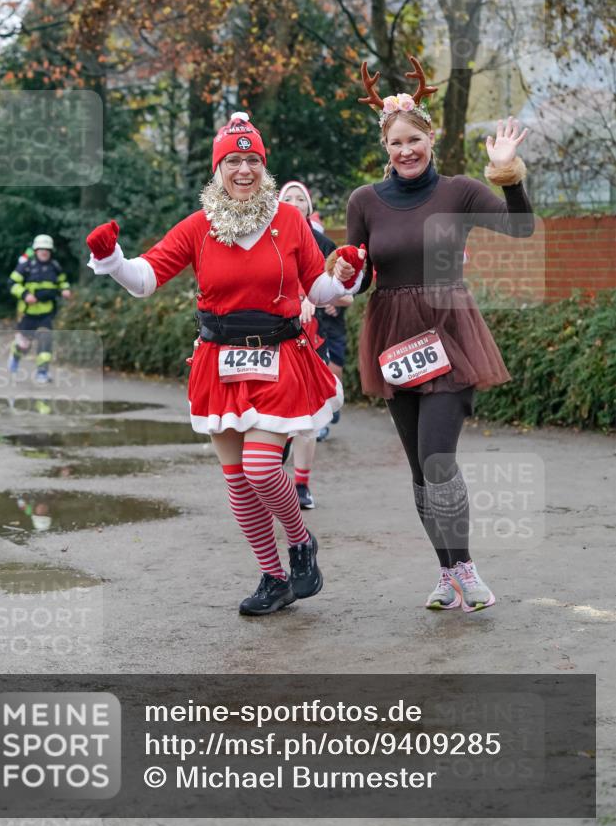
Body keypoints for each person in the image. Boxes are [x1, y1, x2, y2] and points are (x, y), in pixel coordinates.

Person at [86, 112, 364, 616]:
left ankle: (300, 543)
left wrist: (344, 275)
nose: (243, 169)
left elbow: (317, 288)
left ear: (264, 166)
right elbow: (147, 277)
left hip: (280, 356)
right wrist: (112, 259)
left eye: (252, 160)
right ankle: (273, 577)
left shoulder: (288, 220)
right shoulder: (199, 225)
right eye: (233, 160)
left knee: (261, 467)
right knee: (237, 480)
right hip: (219, 361)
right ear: (218, 169)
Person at [346, 57, 535, 613]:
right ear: (386, 147)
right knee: (417, 468)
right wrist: (340, 275)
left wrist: (510, 173)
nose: (405, 150)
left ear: (431, 138)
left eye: (414, 139)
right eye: (395, 143)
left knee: (438, 460)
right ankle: (446, 573)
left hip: (448, 333)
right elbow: (359, 277)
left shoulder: (459, 190)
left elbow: (521, 227)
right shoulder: (365, 201)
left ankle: (466, 568)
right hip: (392, 340)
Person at [278, 180, 353, 505]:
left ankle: (302, 486)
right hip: (274, 339)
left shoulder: (323, 243)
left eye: (300, 198)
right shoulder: (267, 237)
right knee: (275, 418)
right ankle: (272, 479)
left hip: (314, 336)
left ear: (309, 206)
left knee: (307, 417)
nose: (295, 202)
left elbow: (346, 291)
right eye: (288, 197)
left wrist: (319, 299)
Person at [7, 234, 71, 383]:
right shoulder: (26, 266)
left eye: (47, 249)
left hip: (46, 314)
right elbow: (11, 283)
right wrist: (24, 294)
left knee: (45, 339)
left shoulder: (55, 266)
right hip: (27, 313)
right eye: (41, 249)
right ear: (35, 250)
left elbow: (63, 282)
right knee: (24, 345)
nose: (44, 252)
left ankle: (42, 372)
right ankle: (15, 354)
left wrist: (65, 290)